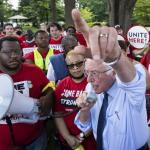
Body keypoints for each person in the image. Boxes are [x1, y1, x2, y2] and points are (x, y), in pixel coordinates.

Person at [71, 9, 149, 150]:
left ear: (112, 71)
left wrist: (116, 58)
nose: (88, 79)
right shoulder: (92, 89)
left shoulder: (130, 93)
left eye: (94, 73)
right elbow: (85, 125)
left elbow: (133, 81)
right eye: (87, 72)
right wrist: (84, 110)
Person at [0, 36, 54, 150]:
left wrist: (49, 96)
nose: (13, 55)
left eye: (17, 51)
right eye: (7, 52)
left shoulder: (34, 71)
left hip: (34, 140)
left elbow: (49, 88)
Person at [54, 50, 96, 150]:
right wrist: (67, 137)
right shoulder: (61, 85)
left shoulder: (93, 83)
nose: (76, 68)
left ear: (85, 62)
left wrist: (81, 136)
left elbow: (98, 115)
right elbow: (58, 113)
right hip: (67, 141)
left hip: (89, 141)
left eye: (79, 63)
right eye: (71, 65)